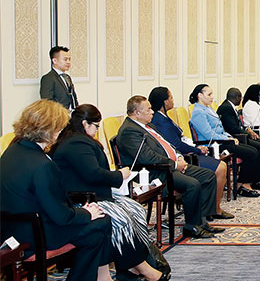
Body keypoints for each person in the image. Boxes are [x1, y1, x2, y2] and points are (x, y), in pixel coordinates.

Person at [51, 104, 170, 281]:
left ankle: (134, 266)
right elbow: (93, 174)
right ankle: (140, 267)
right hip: (83, 200)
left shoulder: (78, 140)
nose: (97, 130)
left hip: (95, 194)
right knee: (121, 219)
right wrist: (119, 175)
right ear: (85, 124)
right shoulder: (76, 144)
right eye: (96, 126)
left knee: (135, 209)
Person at [0, 100, 112, 281]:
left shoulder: (12, 151)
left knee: (94, 236)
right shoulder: (42, 165)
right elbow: (61, 216)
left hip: (10, 230)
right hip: (36, 235)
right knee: (102, 221)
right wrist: (87, 213)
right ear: (50, 130)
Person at [116, 95, 220, 239]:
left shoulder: (149, 126)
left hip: (170, 165)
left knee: (208, 176)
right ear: (137, 113)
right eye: (148, 109)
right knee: (192, 184)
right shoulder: (129, 131)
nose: (152, 112)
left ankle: (202, 221)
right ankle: (192, 226)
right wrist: (175, 165)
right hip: (155, 171)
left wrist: (178, 157)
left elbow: (168, 145)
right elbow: (147, 158)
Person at [148, 86, 234, 218]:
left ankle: (211, 208)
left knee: (220, 167)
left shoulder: (164, 117)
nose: (173, 100)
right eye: (171, 97)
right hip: (184, 157)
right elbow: (176, 145)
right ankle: (214, 209)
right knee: (220, 168)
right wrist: (196, 149)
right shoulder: (160, 121)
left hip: (186, 152)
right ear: (165, 101)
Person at [189, 84, 260, 196]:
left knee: (253, 149)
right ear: (200, 95)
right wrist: (227, 139)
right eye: (209, 94)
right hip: (213, 145)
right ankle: (242, 184)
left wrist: (229, 137)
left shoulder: (207, 109)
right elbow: (209, 134)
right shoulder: (198, 112)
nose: (212, 97)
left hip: (222, 141)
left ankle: (243, 182)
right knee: (251, 153)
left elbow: (220, 129)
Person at [39, 45, 79, 110]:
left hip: (72, 113)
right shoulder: (48, 78)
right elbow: (47, 102)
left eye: (69, 59)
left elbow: (73, 97)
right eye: (65, 59)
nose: (68, 62)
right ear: (54, 61)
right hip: (58, 114)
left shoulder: (67, 77)